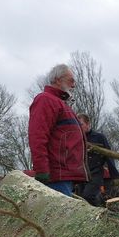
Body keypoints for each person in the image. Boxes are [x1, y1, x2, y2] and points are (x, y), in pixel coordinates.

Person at [27, 64, 87, 196]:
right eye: (71, 80)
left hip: (64, 176)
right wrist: (42, 170)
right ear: (58, 80)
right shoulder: (46, 100)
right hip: (55, 176)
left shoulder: (60, 104)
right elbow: (37, 136)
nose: (74, 85)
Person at [75, 113, 119, 206]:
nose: (79, 127)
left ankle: (101, 211)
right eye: (77, 125)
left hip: (95, 173)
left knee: (88, 195)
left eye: (81, 124)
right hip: (82, 173)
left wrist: (114, 175)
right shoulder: (77, 138)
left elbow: (109, 155)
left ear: (88, 124)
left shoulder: (99, 137)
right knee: (81, 199)